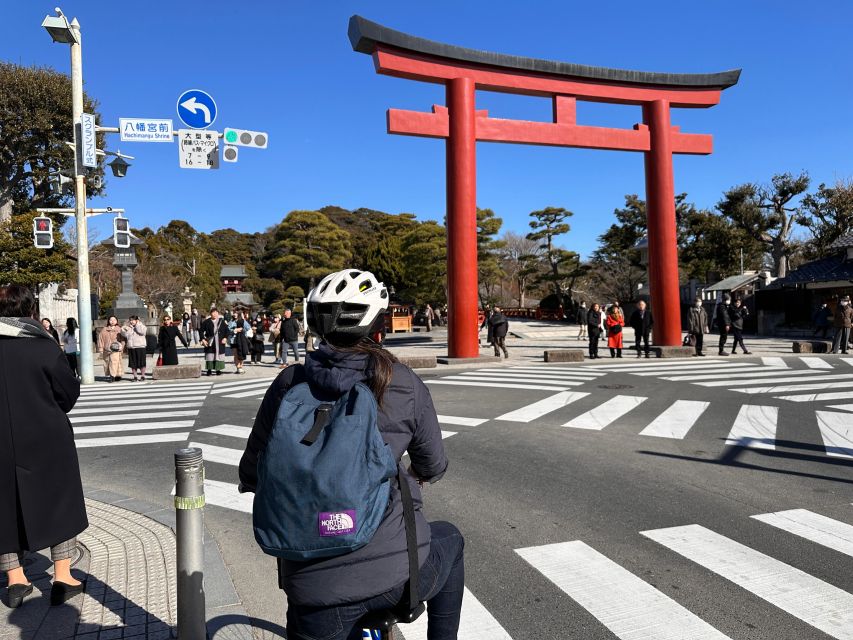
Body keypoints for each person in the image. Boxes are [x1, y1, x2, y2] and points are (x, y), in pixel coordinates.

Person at [238, 269, 461, 640]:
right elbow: (433, 463)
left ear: (314, 322)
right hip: (396, 575)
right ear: (378, 323)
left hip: (313, 589)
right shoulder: (402, 381)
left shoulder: (288, 384)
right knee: (451, 539)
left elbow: (252, 469)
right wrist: (416, 472)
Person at [0, 285, 87, 608]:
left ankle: (15, 580)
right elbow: (68, 394)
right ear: (31, 310)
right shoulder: (42, 347)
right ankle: (63, 576)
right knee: (59, 499)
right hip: (47, 437)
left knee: (4, 505)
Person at [201, 307, 230, 376]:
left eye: (216, 312)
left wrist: (225, 338)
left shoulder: (221, 321)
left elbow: (227, 331)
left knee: (219, 356)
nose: (214, 314)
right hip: (210, 342)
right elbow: (200, 331)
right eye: (213, 312)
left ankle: (218, 370)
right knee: (210, 356)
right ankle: (209, 370)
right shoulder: (207, 322)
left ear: (218, 313)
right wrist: (203, 339)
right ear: (210, 314)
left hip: (219, 342)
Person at [97, 316, 125, 382]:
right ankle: (116, 375)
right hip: (106, 349)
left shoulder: (119, 329)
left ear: (117, 321)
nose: (112, 321)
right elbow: (100, 339)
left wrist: (121, 347)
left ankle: (112, 376)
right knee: (107, 363)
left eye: (114, 320)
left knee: (114, 362)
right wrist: (100, 348)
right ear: (108, 321)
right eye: (111, 320)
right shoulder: (104, 329)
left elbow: (123, 340)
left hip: (116, 349)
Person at [122, 315, 148, 382]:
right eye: (130, 320)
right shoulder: (129, 327)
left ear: (137, 320)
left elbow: (142, 332)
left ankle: (143, 376)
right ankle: (135, 376)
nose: (131, 321)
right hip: (131, 347)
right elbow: (125, 335)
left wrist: (137, 325)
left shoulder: (142, 326)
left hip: (140, 347)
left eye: (133, 320)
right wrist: (123, 329)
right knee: (133, 363)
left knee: (142, 362)